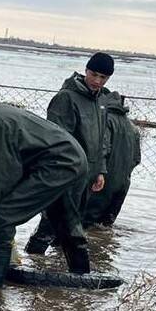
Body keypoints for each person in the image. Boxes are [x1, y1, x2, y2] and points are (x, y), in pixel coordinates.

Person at [0, 92, 90, 283]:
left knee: (3, 217)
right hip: (72, 159)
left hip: (58, 165)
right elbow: (12, 169)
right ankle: (84, 276)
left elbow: (5, 178)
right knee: (63, 216)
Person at [25, 52, 113, 255]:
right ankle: (32, 258)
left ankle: (55, 263)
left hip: (89, 173)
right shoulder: (66, 97)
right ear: (86, 71)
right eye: (94, 74)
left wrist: (100, 170)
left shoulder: (102, 100)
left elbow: (102, 139)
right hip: (67, 172)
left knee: (74, 222)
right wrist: (63, 173)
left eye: (103, 77)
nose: (97, 81)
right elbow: (56, 140)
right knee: (51, 222)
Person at [83, 89, 141, 226]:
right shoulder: (133, 128)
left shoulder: (104, 121)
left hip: (102, 182)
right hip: (123, 185)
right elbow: (136, 159)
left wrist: (99, 173)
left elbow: (102, 150)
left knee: (86, 223)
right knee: (105, 226)